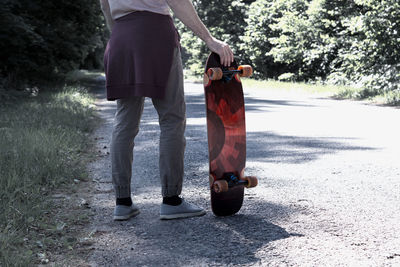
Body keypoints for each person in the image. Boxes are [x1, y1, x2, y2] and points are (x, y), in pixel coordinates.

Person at [99, 0, 234, 221]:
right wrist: (210, 40)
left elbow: (105, 7)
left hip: (121, 38)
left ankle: (122, 203)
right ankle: (171, 200)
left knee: (125, 122)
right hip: (155, 35)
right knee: (172, 118)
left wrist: (122, 35)